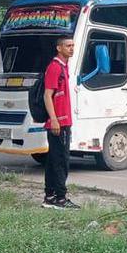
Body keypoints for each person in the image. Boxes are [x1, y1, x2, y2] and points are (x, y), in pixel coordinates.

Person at [43, 36, 80, 210]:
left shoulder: (64, 67)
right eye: (68, 46)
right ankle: (60, 198)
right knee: (61, 161)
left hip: (62, 121)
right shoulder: (55, 68)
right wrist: (54, 119)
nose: (71, 48)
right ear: (59, 48)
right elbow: (47, 95)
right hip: (59, 123)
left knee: (52, 160)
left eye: (73, 45)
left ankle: (49, 196)